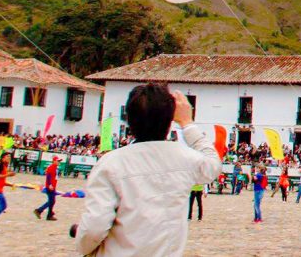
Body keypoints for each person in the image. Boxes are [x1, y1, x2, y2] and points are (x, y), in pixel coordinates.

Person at [75, 84, 224, 254]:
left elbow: (94, 226)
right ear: (169, 121)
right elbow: (213, 164)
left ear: (129, 119)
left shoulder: (110, 164)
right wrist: (187, 123)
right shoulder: (185, 159)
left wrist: (83, 248)